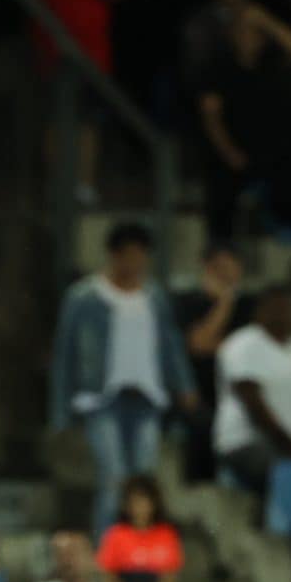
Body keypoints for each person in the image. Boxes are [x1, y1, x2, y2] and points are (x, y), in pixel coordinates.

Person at [50, 221, 195, 529]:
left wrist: (183, 384)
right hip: (102, 397)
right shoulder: (85, 297)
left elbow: (169, 343)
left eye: (141, 256)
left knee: (144, 481)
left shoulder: (153, 296)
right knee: (114, 478)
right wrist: (61, 412)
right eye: (129, 255)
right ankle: (108, 546)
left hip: (147, 395)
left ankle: (142, 544)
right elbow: (66, 355)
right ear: (114, 255)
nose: (135, 263)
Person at [212, 287, 291, 498]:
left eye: (289, 308)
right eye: (278, 307)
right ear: (260, 311)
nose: (284, 313)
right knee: (283, 471)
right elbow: (253, 403)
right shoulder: (242, 344)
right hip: (248, 442)